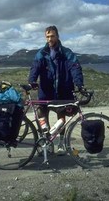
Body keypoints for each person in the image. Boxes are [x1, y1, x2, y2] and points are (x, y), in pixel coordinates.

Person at [28, 25, 85, 156]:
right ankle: (47, 143)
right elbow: (35, 68)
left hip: (62, 90)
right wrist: (32, 81)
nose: (50, 39)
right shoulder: (41, 53)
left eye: (52, 36)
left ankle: (61, 143)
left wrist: (79, 84)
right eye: (47, 36)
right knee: (42, 116)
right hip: (45, 91)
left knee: (62, 117)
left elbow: (75, 68)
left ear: (57, 36)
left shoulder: (67, 53)